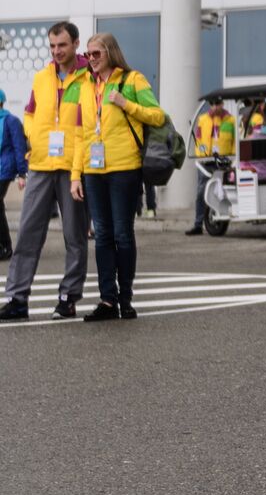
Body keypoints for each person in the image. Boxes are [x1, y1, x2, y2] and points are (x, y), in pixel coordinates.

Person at [70, 32, 166, 321]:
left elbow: (157, 116)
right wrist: (76, 175)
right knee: (102, 235)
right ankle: (107, 301)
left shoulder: (132, 80)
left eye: (96, 54)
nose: (91, 59)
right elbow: (80, 135)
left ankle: (126, 299)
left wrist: (126, 104)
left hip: (124, 168)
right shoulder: (85, 86)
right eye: (88, 55)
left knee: (123, 234)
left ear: (110, 53)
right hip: (94, 170)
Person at [0, 22, 91, 322]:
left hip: (72, 166)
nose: (56, 51)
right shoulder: (41, 77)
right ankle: (17, 299)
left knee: (74, 236)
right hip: (40, 164)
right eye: (52, 46)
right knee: (27, 234)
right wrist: (34, 138)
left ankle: (68, 298)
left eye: (62, 45)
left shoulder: (88, 77)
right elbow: (29, 113)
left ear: (75, 43)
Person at [186, 103, 235, 235]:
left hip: (224, 161)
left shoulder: (230, 120)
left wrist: (232, 158)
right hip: (206, 161)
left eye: (217, 104)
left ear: (222, 104)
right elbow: (199, 140)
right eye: (212, 104)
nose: (215, 107)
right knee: (201, 192)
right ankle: (198, 224)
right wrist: (201, 155)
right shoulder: (203, 119)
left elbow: (234, 141)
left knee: (224, 191)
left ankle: (223, 218)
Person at [0, 90, 28, 260]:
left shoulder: (11, 121)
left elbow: (19, 147)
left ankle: (6, 246)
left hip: (5, 169)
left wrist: (22, 173)